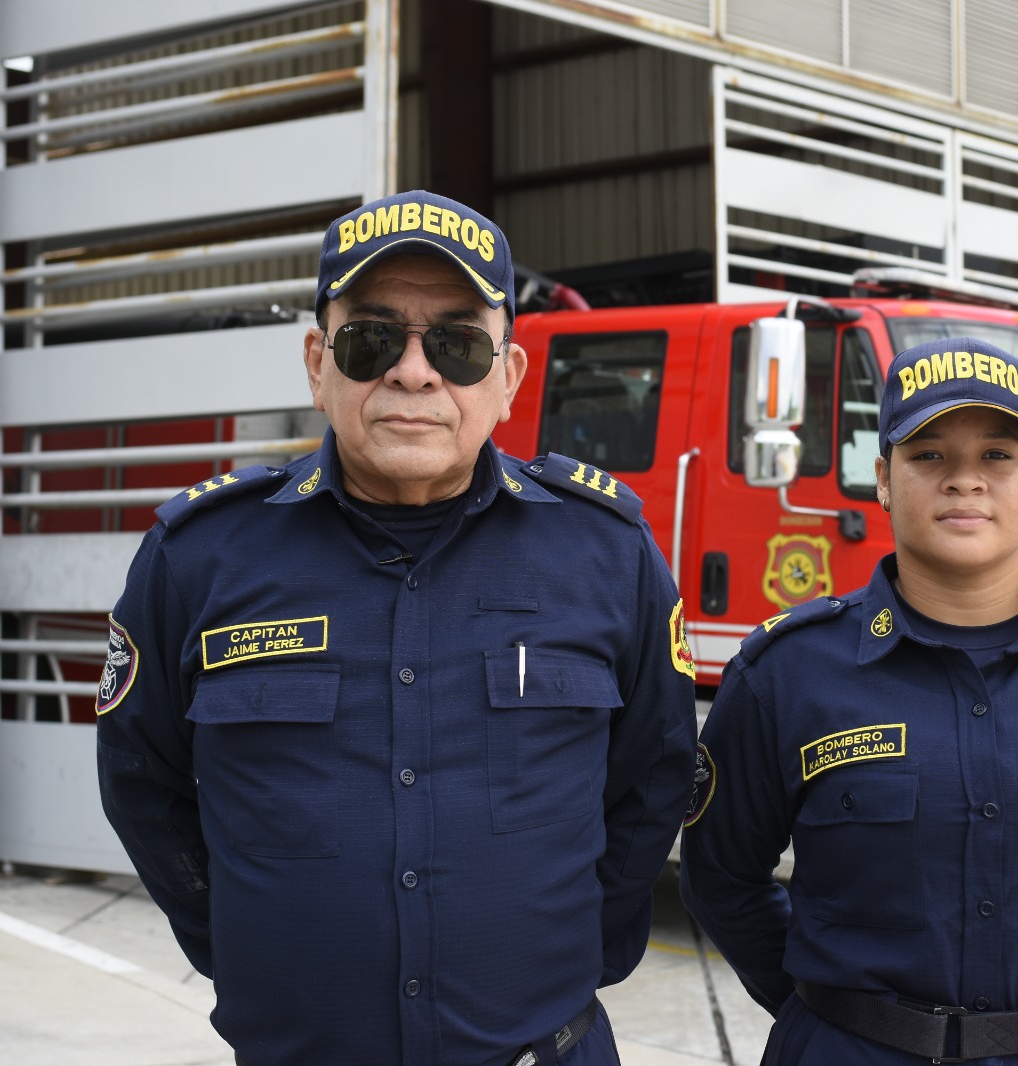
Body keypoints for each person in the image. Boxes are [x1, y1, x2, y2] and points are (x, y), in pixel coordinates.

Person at [96, 190, 697, 1066]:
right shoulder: (198, 557)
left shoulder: (607, 551)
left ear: (508, 377)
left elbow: (654, 779)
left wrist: (558, 961)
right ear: (316, 363)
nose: (414, 374)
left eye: (455, 344)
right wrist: (252, 950)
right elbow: (142, 784)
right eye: (372, 340)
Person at [680, 337, 1018, 1064]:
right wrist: (835, 1014)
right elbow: (722, 877)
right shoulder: (788, 673)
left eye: (997, 455)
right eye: (929, 456)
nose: (965, 481)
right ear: (883, 478)